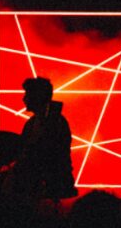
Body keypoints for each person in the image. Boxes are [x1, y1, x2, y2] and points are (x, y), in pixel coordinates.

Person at [9, 77, 77, 205]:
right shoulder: (36, 122)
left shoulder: (54, 123)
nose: (24, 99)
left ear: (37, 97)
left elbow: (47, 155)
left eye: (27, 95)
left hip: (52, 184)